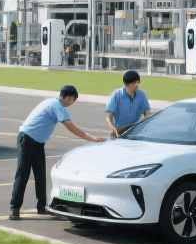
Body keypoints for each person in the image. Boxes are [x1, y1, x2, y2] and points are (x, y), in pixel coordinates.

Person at [9, 85, 105, 219]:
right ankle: (14, 208)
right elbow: (70, 127)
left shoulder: (51, 101)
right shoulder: (57, 106)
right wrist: (91, 138)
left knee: (40, 174)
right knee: (23, 173)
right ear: (69, 97)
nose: (72, 103)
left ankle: (41, 207)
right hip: (27, 139)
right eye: (73, 100)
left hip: (37, 142)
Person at [104, 70, 152, 137]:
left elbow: (147, 114)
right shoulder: (116, 95)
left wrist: (143, 128)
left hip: (135, 131)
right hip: (119, 131)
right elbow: (109, 116)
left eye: (137, 82)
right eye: (134, 83)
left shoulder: (141, 95)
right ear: (127, 84)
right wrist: (113, 129)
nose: (136, 85)